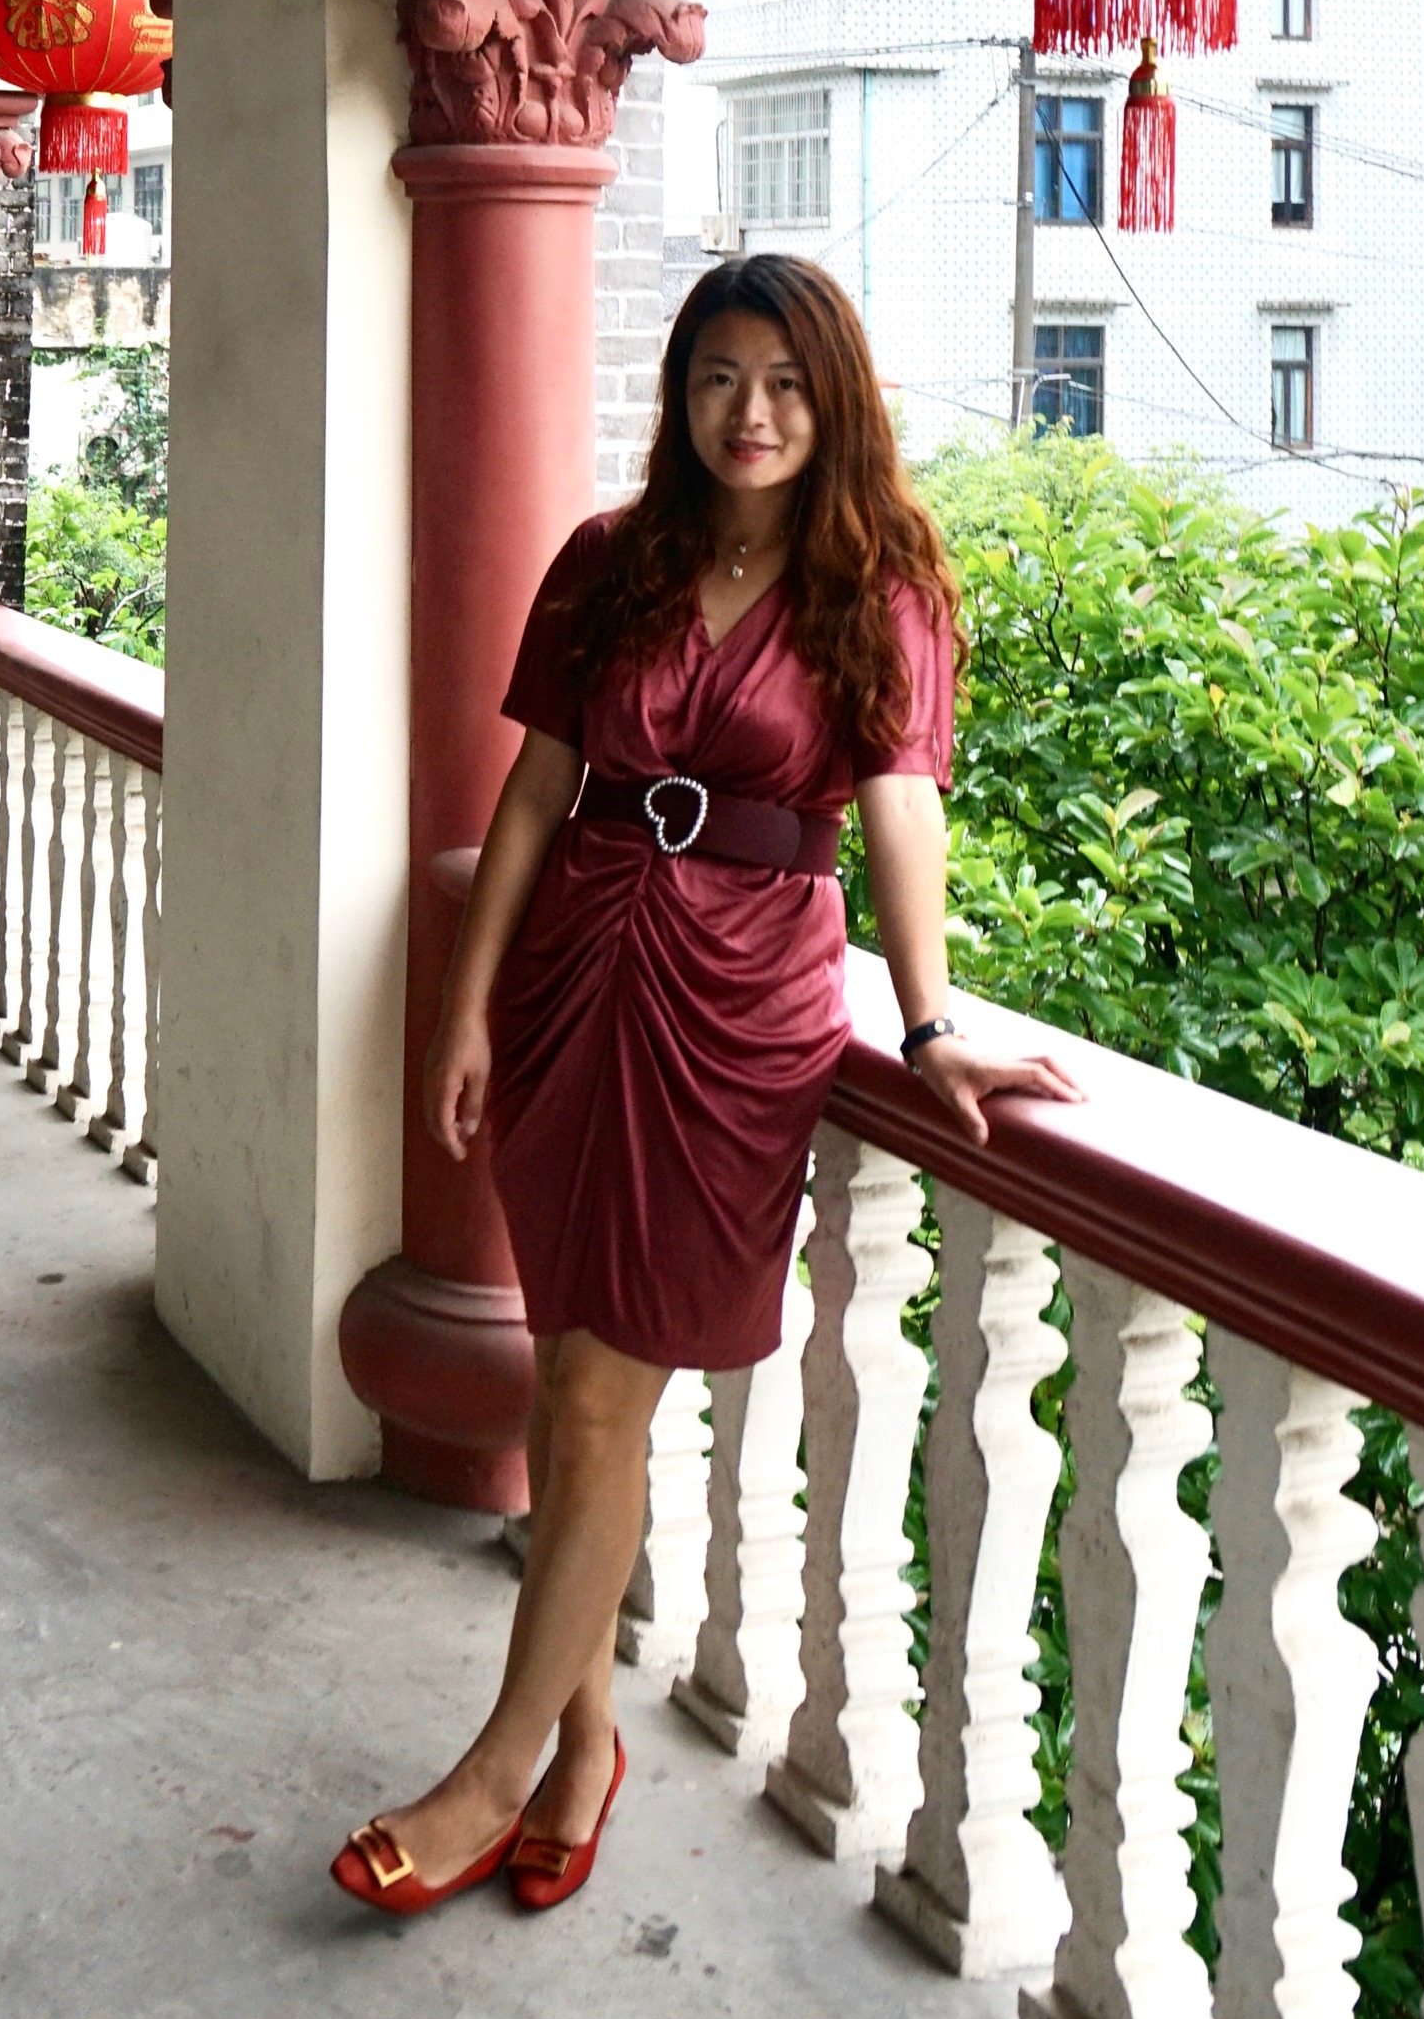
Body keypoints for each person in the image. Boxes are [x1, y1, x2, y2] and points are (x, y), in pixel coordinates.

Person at [332, 251, 1074, 1921]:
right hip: (573, 976)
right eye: (722, 377)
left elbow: (902, 809)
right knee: (567, 1379)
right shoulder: (611, 561)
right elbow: (534, 791)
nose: (753, 413)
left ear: (837, 402)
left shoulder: (881, 587)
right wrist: (464, 1009)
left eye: (789, 384)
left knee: (605, 1395)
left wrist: (931, 1021)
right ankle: (586, 1741)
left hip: (739, 1011)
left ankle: (492, 1772)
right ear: (680, 394)